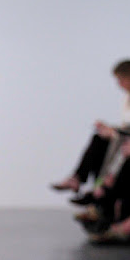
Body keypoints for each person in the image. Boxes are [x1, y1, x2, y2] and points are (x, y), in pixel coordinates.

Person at [50, 60, 130, 196]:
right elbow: (125, 126)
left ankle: (99, 188)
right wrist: (110, 129)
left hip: (125, 140)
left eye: (121, 79)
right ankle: (83, 180)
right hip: (123, 137)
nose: (119, 84)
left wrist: (113, 131)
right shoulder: (126, 99)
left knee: (108, 143)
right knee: (99, 138)